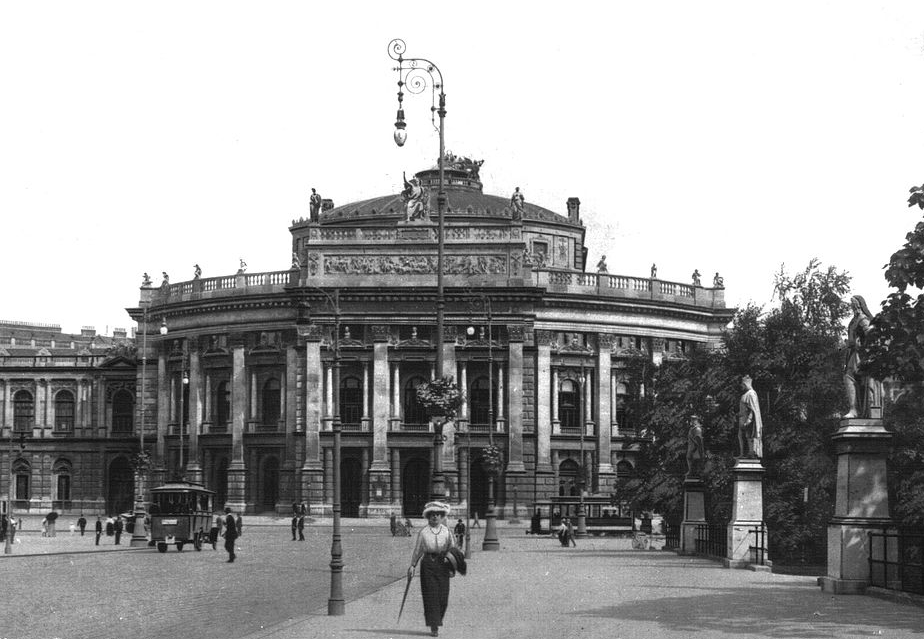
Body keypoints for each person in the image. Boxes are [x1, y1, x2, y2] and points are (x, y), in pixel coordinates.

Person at [408, 502, 456, 637]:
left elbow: (453, 550)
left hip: (443, 564)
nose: (435, 517)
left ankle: (438, 619)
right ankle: (434, 626)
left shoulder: (447, 531)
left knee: (443, 597)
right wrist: (412, 565)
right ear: (428, 517)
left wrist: (452, 567)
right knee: (430, 597)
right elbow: (418, 550)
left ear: (441, 517)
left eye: (437, 515)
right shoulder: (423, 532)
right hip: (428, 564)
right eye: (432, 515)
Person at [843, 294, 877, 418]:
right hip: (852, 354)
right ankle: (854, 409)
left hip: (860, 355)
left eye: (853, 304)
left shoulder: (862, 318)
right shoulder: (853, 321)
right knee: (851, 379)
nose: (852, 307)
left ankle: (854, 410)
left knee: (849, 378)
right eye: (851, 305)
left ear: (858, 305)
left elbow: (870, 334)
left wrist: (863, 346)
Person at [738, 375, 763, 458]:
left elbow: (753, 410)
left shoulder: (751, 394)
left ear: (745, 384)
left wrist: (748, 420)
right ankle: (742, 454)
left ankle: (751, 453)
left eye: (742, 384)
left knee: (749, 436)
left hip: (748, 420)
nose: (741, 386)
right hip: (741, 419)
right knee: (741, 436)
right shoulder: (745, 395)